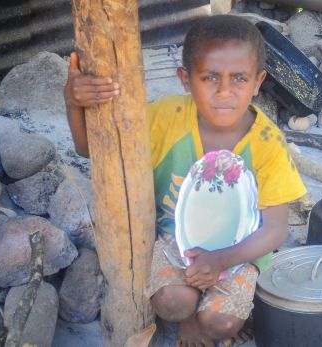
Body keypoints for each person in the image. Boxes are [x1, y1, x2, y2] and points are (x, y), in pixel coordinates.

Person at [64, 15, 307, 347]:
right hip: (174, 241)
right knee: (172, 305)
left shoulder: (268, 142)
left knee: (219, 323)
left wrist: (221, 259)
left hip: (239, 250)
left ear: (257, 81)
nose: (224, 92)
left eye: (239, 78)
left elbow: (276, 230)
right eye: (209, 77)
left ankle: (225, 311)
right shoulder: (165, 118)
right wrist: (73, 102)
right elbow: (93, 150)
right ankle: (189, 316)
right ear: (186, 79)